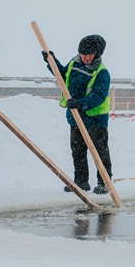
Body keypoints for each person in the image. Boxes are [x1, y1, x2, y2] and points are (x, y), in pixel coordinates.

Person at [42, 34, 112, 195]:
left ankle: (104, 182)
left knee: (100, 151)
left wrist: (81, 103)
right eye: (83, 54)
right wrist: (51, 61)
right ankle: (81, 181)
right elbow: (62, 75)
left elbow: (99, 96)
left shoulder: (102, 72)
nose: (86, 58)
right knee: (78, 150)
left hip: (95, 119)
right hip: (75, 117)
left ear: (97, 54)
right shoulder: (74, 64)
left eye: (90, 54)